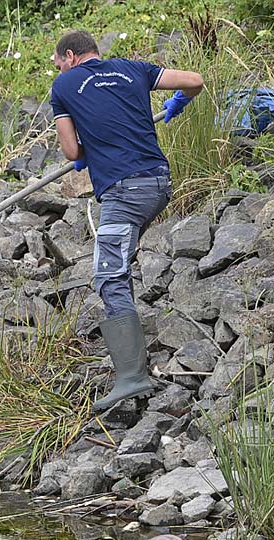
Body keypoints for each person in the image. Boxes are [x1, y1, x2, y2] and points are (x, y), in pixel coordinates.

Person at [50, 30, 203, 413]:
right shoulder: (131, 69)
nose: (58, 68)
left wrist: (88, 150)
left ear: (69, 56)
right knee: (119, 259)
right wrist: (179, 101)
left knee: (109, 276)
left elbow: (71, 150)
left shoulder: (64, 85)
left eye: (58, 62)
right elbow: (195, 81)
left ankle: (132, 378)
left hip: (123, 194)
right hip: (158, 184)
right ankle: (134, 367)